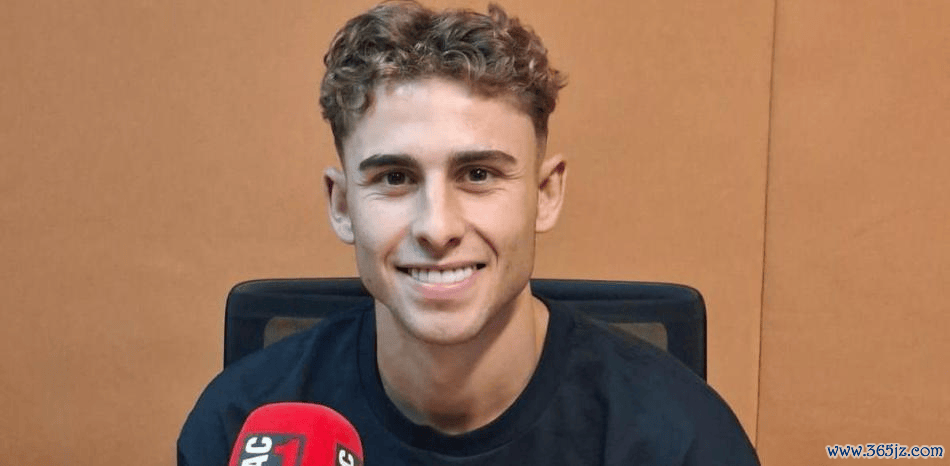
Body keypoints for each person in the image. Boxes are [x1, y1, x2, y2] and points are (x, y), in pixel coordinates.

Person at [178, 1, 760, 464]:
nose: (438, 228)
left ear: (545, 194)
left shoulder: (681, 441)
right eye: (395, 177)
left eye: (478, 174)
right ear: (342, 205)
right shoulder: (239, 426)